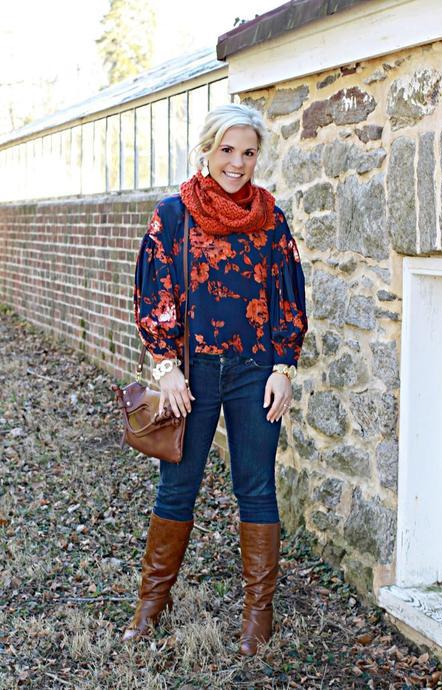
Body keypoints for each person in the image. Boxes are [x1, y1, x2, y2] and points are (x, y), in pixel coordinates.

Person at [123, 103, 308, 656]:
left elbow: (288, 295)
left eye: (248, 152)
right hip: (193, 373)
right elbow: (153, 293)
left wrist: (283, 368)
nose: (237, 162)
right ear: (207, 148)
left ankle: (258, 617)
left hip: (255, 372)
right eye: (227, 149)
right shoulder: (173, 214)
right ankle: (152, 606)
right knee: (177, 488)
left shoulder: (271, 218)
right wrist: (167, 366)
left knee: (255, 489)